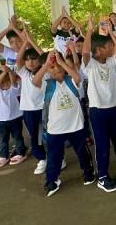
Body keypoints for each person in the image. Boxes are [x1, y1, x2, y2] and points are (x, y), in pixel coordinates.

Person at [32, 51, 95, 197]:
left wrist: (61, 62)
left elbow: (77, 76)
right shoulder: (46, 85)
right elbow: (35, 81)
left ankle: (88, 173)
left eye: (59, 66)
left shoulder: (71, 81)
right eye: (52, 68)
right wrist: (47, 64)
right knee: (54, 156)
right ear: (47, 70)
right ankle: (51, 181)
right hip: (55, 129)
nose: (57, 69)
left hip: (76, 126)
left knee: (82, 152)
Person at [82, 17, 116, 193]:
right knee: (102, 144)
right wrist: (89, 30)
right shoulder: (90, 64)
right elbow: (86, 52)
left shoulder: (111, 61)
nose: (112, 48)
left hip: (114, 108)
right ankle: (102, 176)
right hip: (98, 111)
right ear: (99, 50)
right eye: (108, 46)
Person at [14, 32, 48, 174]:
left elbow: (46, 58)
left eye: (34, 59)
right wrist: (24, 42)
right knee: (34, 135)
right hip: (29, 110)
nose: (30, 62)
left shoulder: (46, 72)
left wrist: (32, 40)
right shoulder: (24, 73)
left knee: (48, 135)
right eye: (27, 59)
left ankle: (58, 157)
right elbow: (18, 60)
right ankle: (42, 159)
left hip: (44, 109)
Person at [0, 66, 26, 168]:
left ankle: (20, 153)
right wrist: (4, 72)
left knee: (18, 137)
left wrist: (9, 71)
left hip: (16, 118)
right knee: (3, 139)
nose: (5, 83)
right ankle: (4, 156)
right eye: (2, 81)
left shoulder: (14, 89)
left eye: (7, 81)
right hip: (0, 120)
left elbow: (14, 82)